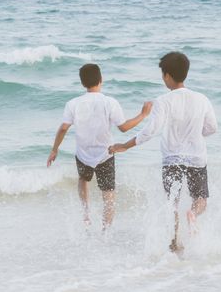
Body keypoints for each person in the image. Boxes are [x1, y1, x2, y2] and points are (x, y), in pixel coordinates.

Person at [109, 52, 217, 253]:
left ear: (167, 76)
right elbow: (212, 128)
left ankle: (175, 243)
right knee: (200, 200)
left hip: (172, 159)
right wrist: (194, 133)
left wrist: (125, 145)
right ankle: (193, 215)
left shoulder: (163, 101)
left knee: (172, 203)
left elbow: (150, 131)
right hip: (197, 158)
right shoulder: (202, 99)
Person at [46, 63, 152, 231]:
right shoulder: (109, 102)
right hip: (106, 154)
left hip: (83, 154)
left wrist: (54, 149)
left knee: (83, 180)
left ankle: (86, 214)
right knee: (108, 193)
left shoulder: (73, 103)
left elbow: (63, 128)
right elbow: (124, 127)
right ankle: (105, 231)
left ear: (82, 83)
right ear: (101, 80)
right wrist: (143, 114)